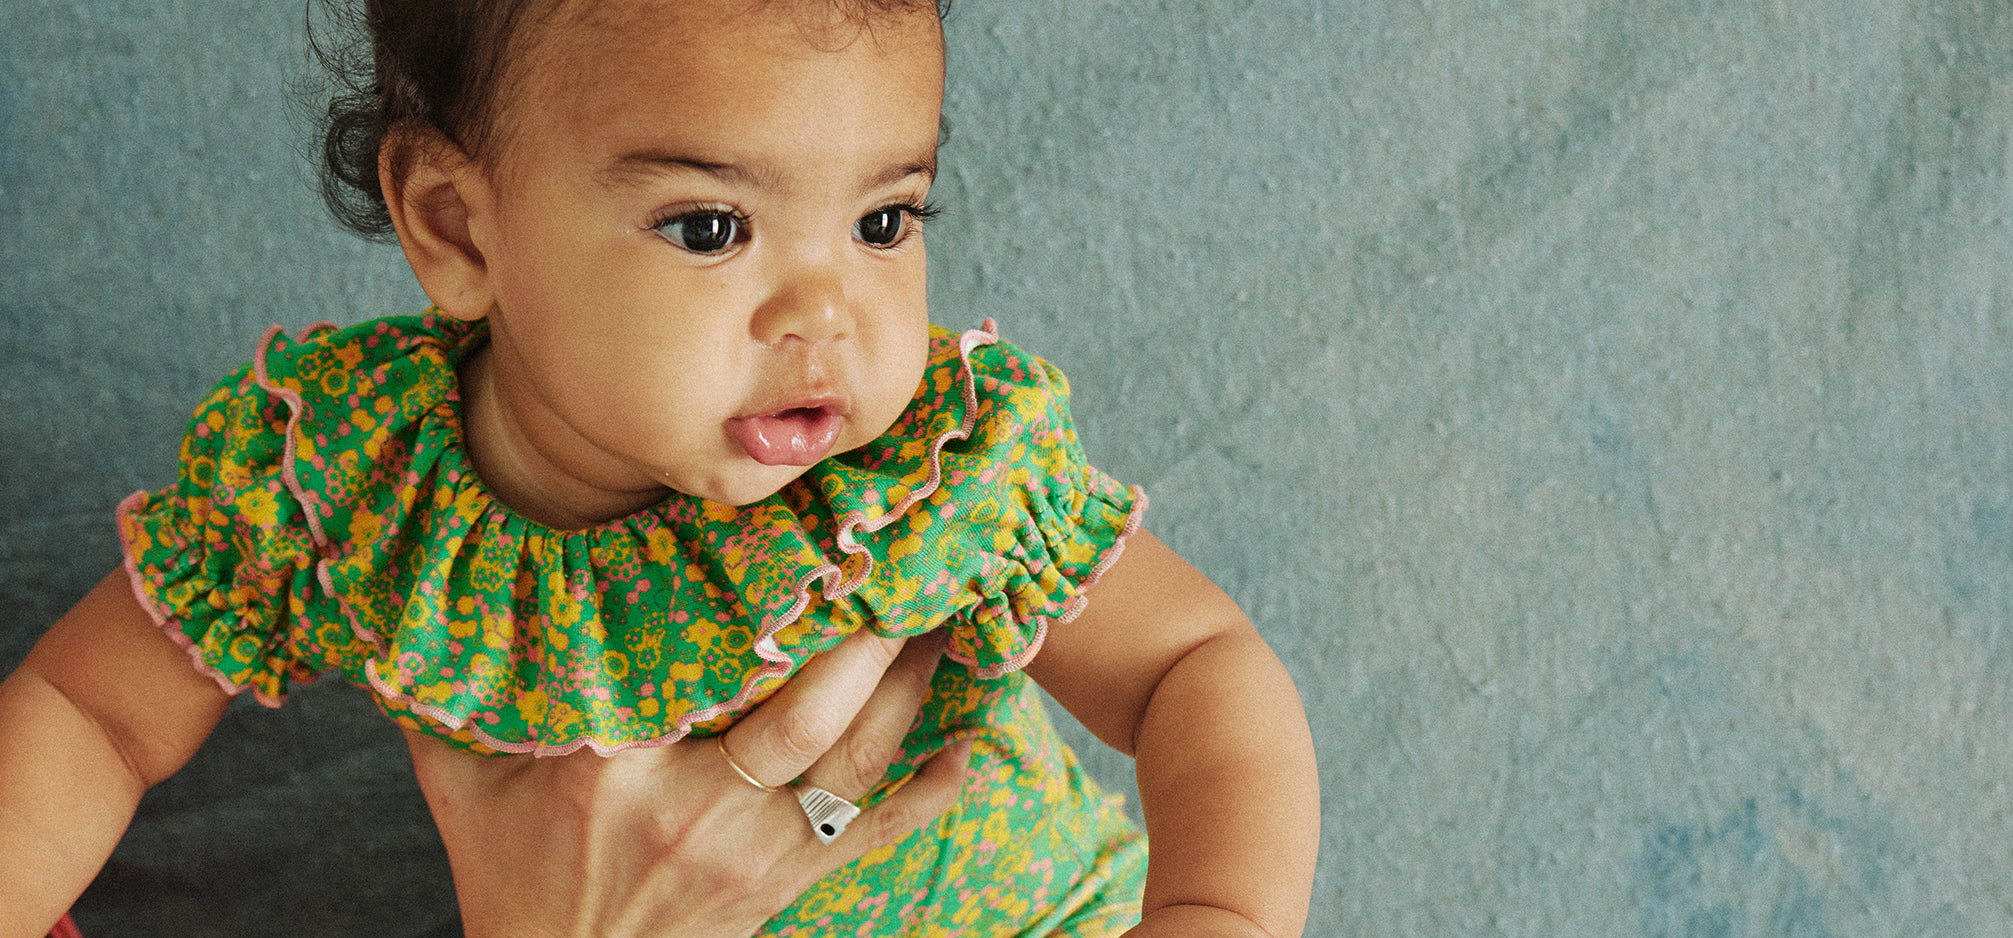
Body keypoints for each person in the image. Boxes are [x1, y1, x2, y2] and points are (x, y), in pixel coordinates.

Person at [0, 0, 1321, 935]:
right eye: (709, 226)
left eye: (881, 220)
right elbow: (94, 713)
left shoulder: (923, 472)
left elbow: (1187, 661)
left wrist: (1215, 909)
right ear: (458, 226)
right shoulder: (346, 482)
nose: (828, 313)